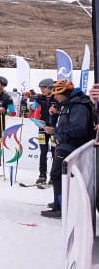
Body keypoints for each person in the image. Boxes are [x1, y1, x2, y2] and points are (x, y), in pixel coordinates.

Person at [42, 79, 97, 218]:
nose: (54, 97)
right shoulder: (67, 104)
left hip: (72, 146)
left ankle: (61, 207)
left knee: (57, 175)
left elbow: (78, 130)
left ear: (64, 93)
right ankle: (59, 203)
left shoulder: (78, 106)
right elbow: (64, 124)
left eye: (56, 94)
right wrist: (54, 116)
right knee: (58, 176)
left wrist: (55, 132)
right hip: (65, 144)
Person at [28, 78, 56, 186]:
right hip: (42, 127)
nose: (42, 90)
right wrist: (29, 107)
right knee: (43, 152)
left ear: (50, 88)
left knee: (55, 153)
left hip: (53, 128)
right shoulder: (40, 97)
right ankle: (42, 175)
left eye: (44, 88)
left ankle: (54, 177)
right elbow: (33, 107)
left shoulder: (56, 98)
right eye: (41, 88)